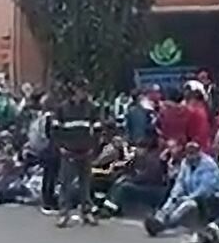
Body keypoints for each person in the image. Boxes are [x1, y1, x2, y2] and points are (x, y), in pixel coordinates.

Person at [143, 141, 219, 237]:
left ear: (199, 152)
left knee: (188, 204)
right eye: (189, 154)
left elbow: (205, 189)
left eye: (193, 154)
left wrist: (189, 197)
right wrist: (175, 195)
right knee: (173, 199)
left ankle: (167, 224)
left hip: (205, 199)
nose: (190, 157)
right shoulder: (185, 163)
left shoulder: (209, 165)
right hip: (188, 194)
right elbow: (180, 182)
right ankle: (159, 219)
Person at [50, 82, 99, 228]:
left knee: (85, 183)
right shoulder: (62, 109)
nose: (82, 93)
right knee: (66, 183)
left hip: (85, 150)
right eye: (80, 90)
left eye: (84, 91)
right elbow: (54, 130)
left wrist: (93, 147)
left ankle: (86, 211)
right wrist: (60, 147)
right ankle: (64, 213)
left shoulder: (91, 108)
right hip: (68, 151)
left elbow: (97, 128)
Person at [101, 138, 169, 217]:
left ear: (146, 149)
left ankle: (111, 209)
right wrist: (123, 175)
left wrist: (131, 179)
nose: (138, 150)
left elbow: (148, 177)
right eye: (137, 147)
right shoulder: (136, 158)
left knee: (124, 187)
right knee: (117, 183)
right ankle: (108, 207)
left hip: (152, 187)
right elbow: (128, 169)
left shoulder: (152, 159)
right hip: (140, 183)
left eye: (140, 148)